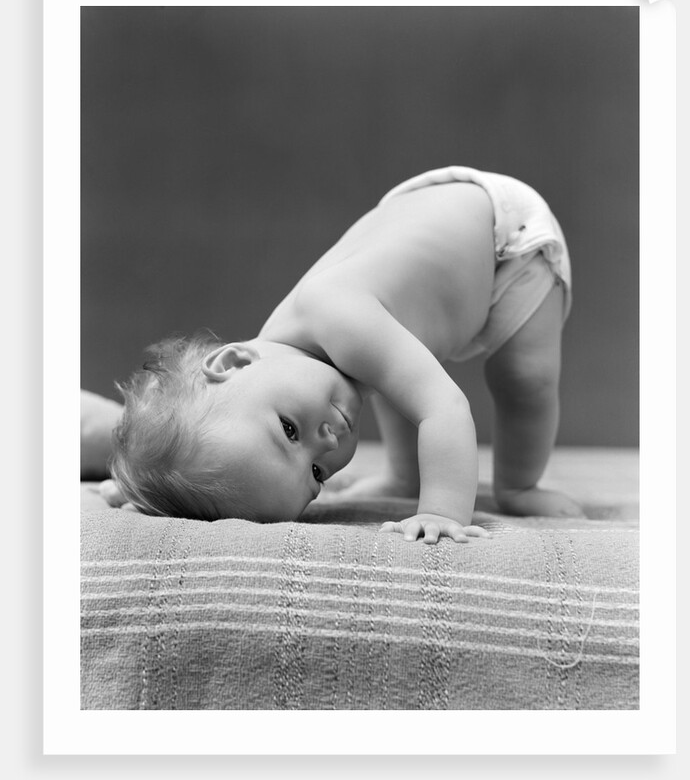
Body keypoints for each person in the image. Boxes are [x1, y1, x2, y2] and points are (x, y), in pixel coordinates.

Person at [88, 166, 584, 543]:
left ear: (232, 362)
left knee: (524, 378)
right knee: (388, 373)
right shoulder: (286, 369)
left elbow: (442, 406)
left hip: (505, 237)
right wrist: (145, 489)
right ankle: (403, 475)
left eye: (288, 431)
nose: (325, 443)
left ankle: (520, 485)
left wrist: (442, 510)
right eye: (316, 475)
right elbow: (207, 461)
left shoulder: (335, 315)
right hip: (429, 227)